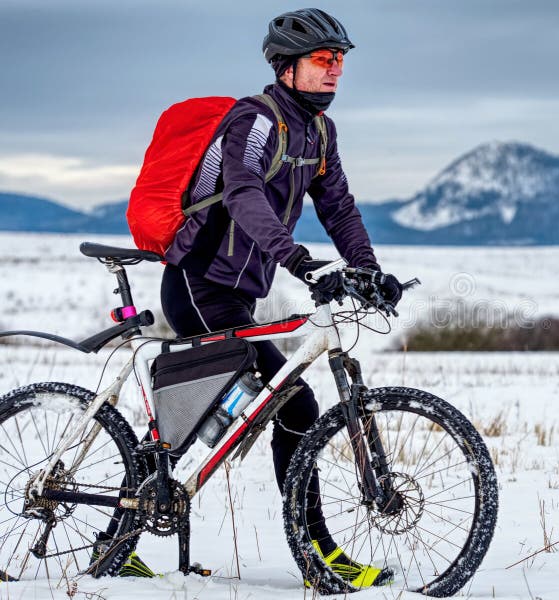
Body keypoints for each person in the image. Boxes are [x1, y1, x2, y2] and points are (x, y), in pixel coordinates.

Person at [129, 8, 400, 586]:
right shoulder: (257, 122)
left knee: (209, 415)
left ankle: (118, 534)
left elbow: (338, 207)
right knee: (294, 406)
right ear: (287, 68)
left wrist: (368, 270)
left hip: (238, 296)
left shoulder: (320, 131)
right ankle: (319, 555)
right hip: (200, 286)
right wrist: (300, 262)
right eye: (324, 60)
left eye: (340, 61)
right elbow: (245, 193)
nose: (335, 71)